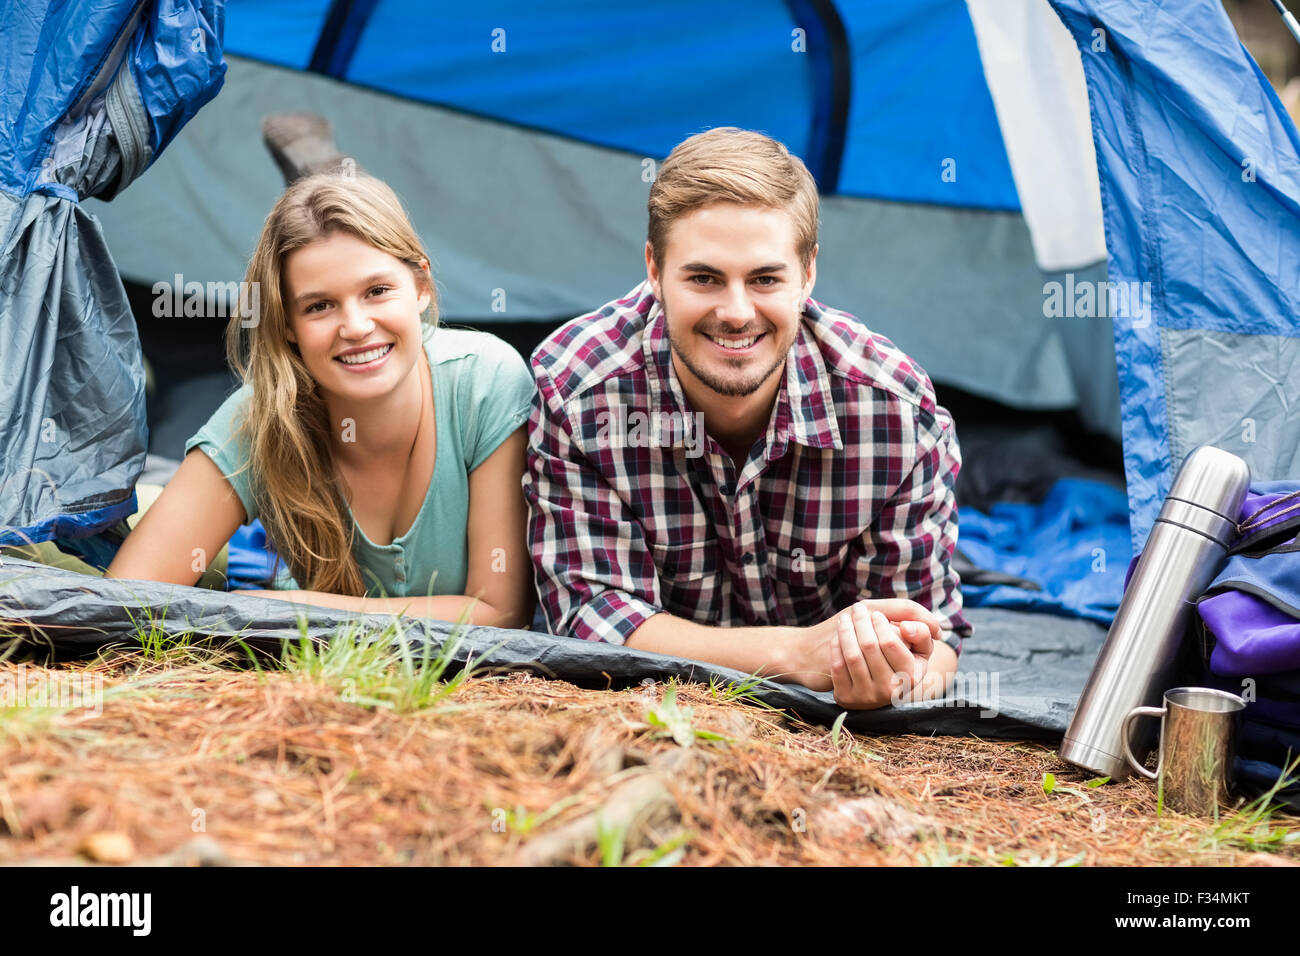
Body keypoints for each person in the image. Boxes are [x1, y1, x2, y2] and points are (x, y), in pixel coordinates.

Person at [524, 128, 971, 709]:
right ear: (654, 270)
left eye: (764, 279)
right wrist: (797, 655)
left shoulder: (897, 414)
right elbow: (593, 622)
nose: (736, 313)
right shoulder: (577, 393)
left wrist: (896, 677)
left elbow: (929, 636)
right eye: (704, 278)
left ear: (807, 274)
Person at [108, 172, 535, 629]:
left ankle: (317, 167)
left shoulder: (485, 380)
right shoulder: (262, 414)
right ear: (287, 325)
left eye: (377, 291)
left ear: (421, 287)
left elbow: (500, 612)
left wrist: (287, 609)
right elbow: (124, 598)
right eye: (319, 306)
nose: (354, 326)